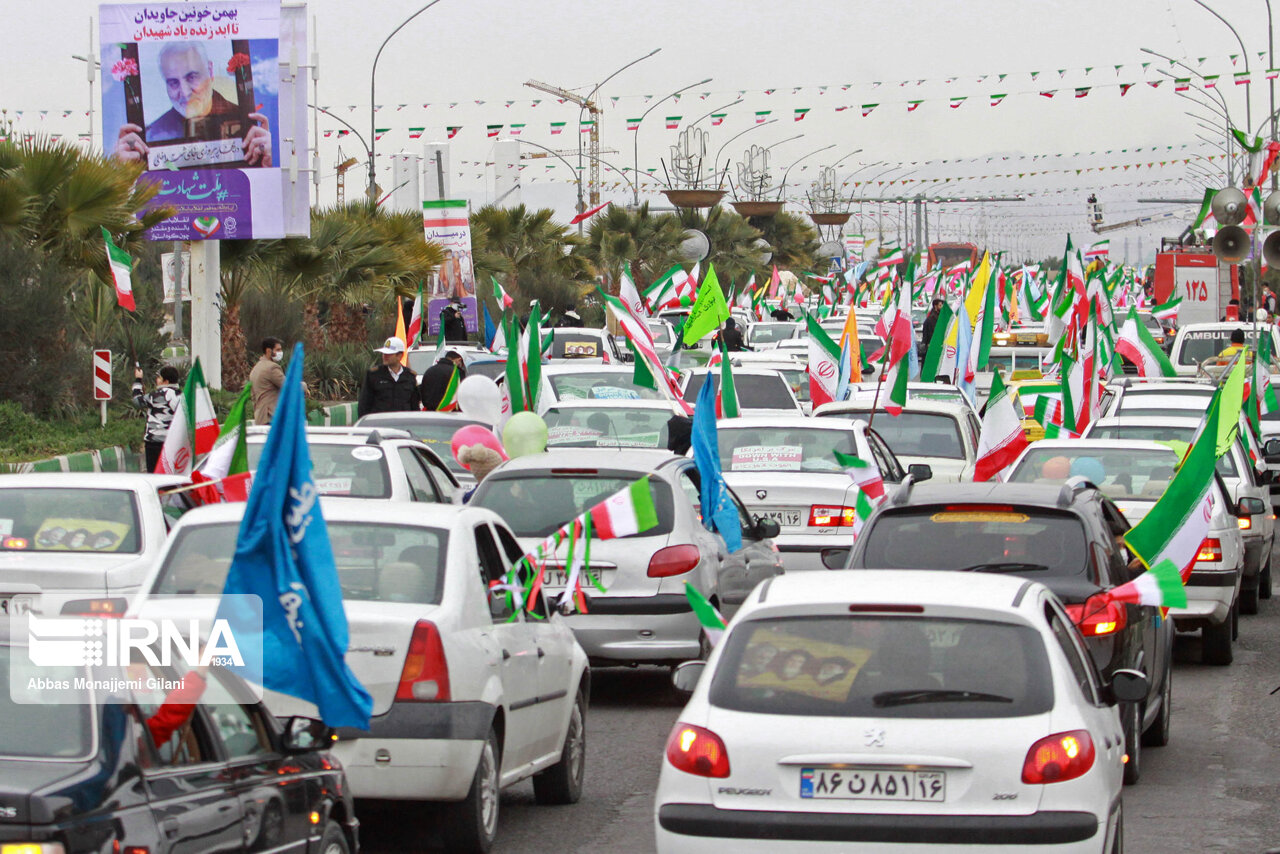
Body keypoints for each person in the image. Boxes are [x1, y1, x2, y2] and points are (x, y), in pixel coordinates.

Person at [114, 41, 272, 166]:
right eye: (173, 82)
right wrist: (124, 173)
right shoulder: (151, 135)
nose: (185, 92)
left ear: (210, 72)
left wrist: (266, 164)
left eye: (191, 77)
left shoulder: (246, 126)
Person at [132, 365, 181, 473]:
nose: (156, 380)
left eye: (159, 378)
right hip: (174, 443)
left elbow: (137, 401)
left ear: (166, 381)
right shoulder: (182, 396)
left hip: (154, 443)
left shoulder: (156, 395)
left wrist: (138, 380)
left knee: (155, 475)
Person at [357, 337, 421, 417]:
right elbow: (364, 404)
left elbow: (414, 405)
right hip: (380, 424)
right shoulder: (374, 375)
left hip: (403, 424)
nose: (385, 356)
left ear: (399, 356)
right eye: (384, 353)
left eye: (389, 354)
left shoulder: (410, 377)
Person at [248, 337, 285, 424]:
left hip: (260, 417)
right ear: (269, 351)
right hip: (271, 416)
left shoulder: (256, 368)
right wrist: (304, 386)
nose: (280, 353)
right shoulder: (271, 368)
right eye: (278, 350)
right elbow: (289, 386)